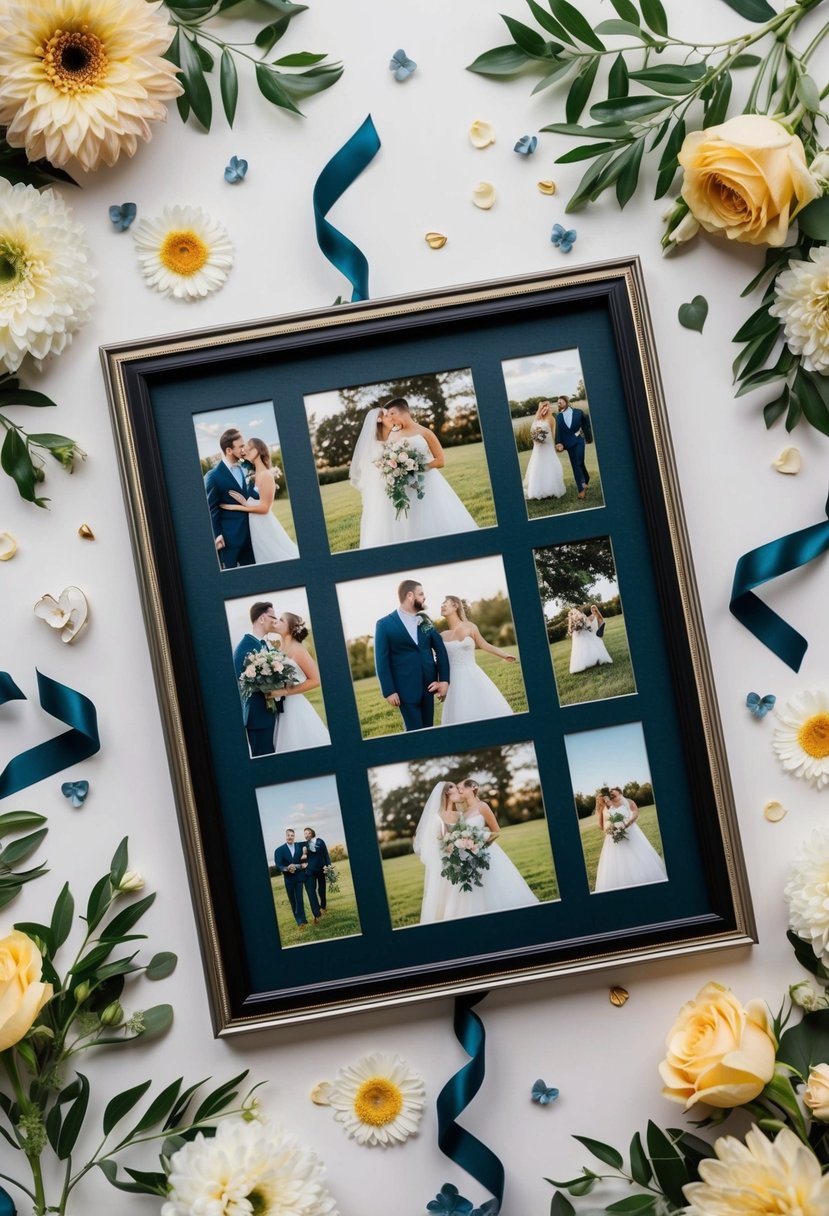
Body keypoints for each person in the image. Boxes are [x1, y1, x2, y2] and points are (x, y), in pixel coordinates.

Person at [349, 398, 479, 548]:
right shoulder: (393, 435)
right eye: (388, 415)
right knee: (409, 521)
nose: (390, 418)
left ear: (403, 412)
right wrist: (396, 470)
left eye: (392, 413)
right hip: (405, 486)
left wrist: (416, 467)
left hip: (428, 484)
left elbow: (440, 461)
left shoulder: (425, 432)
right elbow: (387, 458)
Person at [413, 778, 539, 923]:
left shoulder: (482, 806)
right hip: (466, 857)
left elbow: (496, 830)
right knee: (469, 892)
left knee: (493, 887)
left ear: (472, 788)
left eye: (461, 789)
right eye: (457, 788)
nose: (460, 792)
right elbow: (446, 837)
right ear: (447, 792)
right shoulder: (462, 814)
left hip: (485, 852)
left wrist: (479, 841)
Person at [374, 580, 450, 732]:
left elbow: (440, 650)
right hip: (404, 689)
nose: (424, 597)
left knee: (429, 729)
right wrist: (389, 691)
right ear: (410, 595)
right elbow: (381, 661)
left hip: (429, 686)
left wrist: (444, 680)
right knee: (415, 731)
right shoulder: (384, 624)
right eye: (421, 594)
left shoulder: (425, 620)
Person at [438, 595, 516, 726]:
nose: (442, 605)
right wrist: (440, 683)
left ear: (455, 606)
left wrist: (504, 655)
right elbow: (439, 661)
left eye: (445, 602)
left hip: (473, 676)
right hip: (453, 682)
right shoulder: (442, 636)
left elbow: (485, 645)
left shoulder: (470, 627)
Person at [220, 437, 298, 564]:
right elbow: (257, 501)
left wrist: (238, 507)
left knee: (276, 556)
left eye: (248, 448)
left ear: (257, 451)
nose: (245, 451)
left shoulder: (267, 475)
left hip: (264, 525)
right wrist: (245, 502)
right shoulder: (254, 474)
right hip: (255, 525)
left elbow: (265, 508)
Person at [269, 612, 331, 752]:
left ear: (290, 629)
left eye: (281, 620)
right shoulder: (278, 648)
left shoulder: (298, 649)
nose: (276, 622)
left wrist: (285, 691)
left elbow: (316, 680)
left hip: (294, 705)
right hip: (279, 705)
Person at [593, 788, 667, 893]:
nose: (612, 794)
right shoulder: (606, 808)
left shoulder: (629, 801)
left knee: (640, 855)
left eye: (614, 792)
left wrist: (627, 824)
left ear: (620, 792)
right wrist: (613, 828)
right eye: (610, 793)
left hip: (632, 833)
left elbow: (636, 813)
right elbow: (605, 827)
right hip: (615, 838)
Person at [204, 428, 258, 568]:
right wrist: (217, 535)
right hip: (229, 540)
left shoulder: (247, 468)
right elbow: (211, 509)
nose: (244, 449)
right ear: (228, 450)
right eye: (240, 446)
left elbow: (253, 496)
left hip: (253, 536)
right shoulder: (214, 476)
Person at [233, 601, 279, 757]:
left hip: (269, 714)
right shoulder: (244, 648)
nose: (275, 620)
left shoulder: (263, 644)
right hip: (258, 718)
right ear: (262, 618)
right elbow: (243, 685)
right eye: (273, 616)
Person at [274, 828, 320, 929]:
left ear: (294, 836)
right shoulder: (279, 850)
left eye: (292, 835)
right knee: (293, 901)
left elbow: (311, 841)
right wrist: (287, 868)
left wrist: (304, 851)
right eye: (288, 835)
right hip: (289, 879)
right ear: (285, 836)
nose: (290, 837)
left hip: (299, 877)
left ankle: (303, 921)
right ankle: (300, 921)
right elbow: (278, 865)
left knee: (299, 899)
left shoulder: (299, 845)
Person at [523, 400, 565, 501]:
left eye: (547, 406)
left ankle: (551, 490)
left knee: (549, 465)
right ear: (540, 407)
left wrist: (554, 444)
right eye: (543, 406)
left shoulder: (551, 419)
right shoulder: (537, 418)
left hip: (548, 446)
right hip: (538, 447)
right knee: (537, 466)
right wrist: (536, 438)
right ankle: (537, 490)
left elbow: (553, 433)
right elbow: (532, 431)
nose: (545, 408)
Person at [554, 394, 593, 499]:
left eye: (560, 401)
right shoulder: (558, 416)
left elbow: (586, 424)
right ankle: (581, 489)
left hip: (579, 440)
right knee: (576, 465)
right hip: (568, 444)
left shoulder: (578, 412)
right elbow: (558, 431)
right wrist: (559, 443)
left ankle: (586, 479)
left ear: (566, 402)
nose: (559, 403)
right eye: (558, 402)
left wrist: (588, 438)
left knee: (580, 461)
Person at [567, 607, 611, 675]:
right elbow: (573, 628)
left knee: (588, 647)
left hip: (583, 633)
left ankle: (592, 660)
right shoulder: (576, 618)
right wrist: (579, 626)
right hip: (580, 634)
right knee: (584, 648)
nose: (575, 614)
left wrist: (583, 625)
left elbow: (587, 624)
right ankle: (588, 661)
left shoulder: (582, 617)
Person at [302, 826, 332, 914]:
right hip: (311, 871)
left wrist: (328, 866)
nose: (306, 835)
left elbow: (326, 854)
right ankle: (317, 909)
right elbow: (303, 859)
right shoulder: (304, 845)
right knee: (312, 889)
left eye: (308, 833)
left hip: (322, 869)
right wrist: (304, 852)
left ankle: (323, 906)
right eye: (305, 833)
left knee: (322, 889)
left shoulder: (320, 841)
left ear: (312, 833)